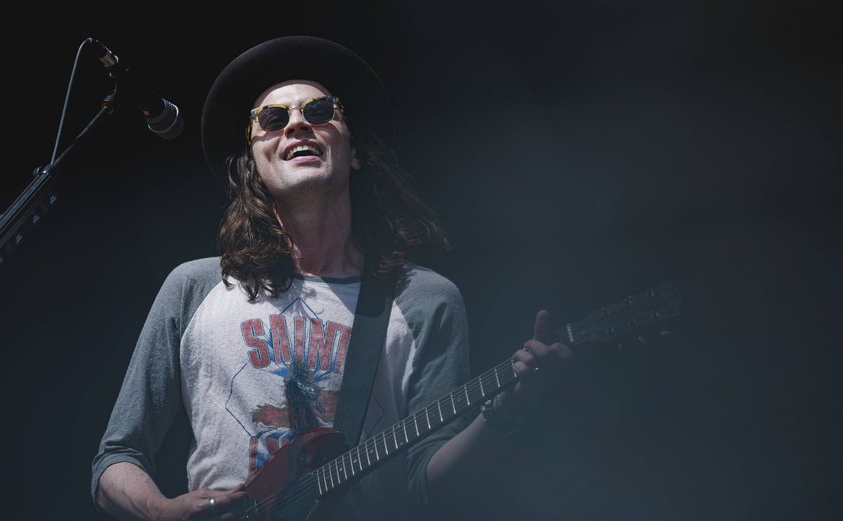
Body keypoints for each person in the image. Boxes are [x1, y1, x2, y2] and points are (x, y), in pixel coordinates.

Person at [91, 35, 568, 521]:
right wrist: (158, 509)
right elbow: (115, 459)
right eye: (273, 120)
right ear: (254, 167)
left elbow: (428, 486)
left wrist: (508, 411)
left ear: (354, 152)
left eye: (320, 111)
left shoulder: (426, 301)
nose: (297, 123)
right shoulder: (193, 290)